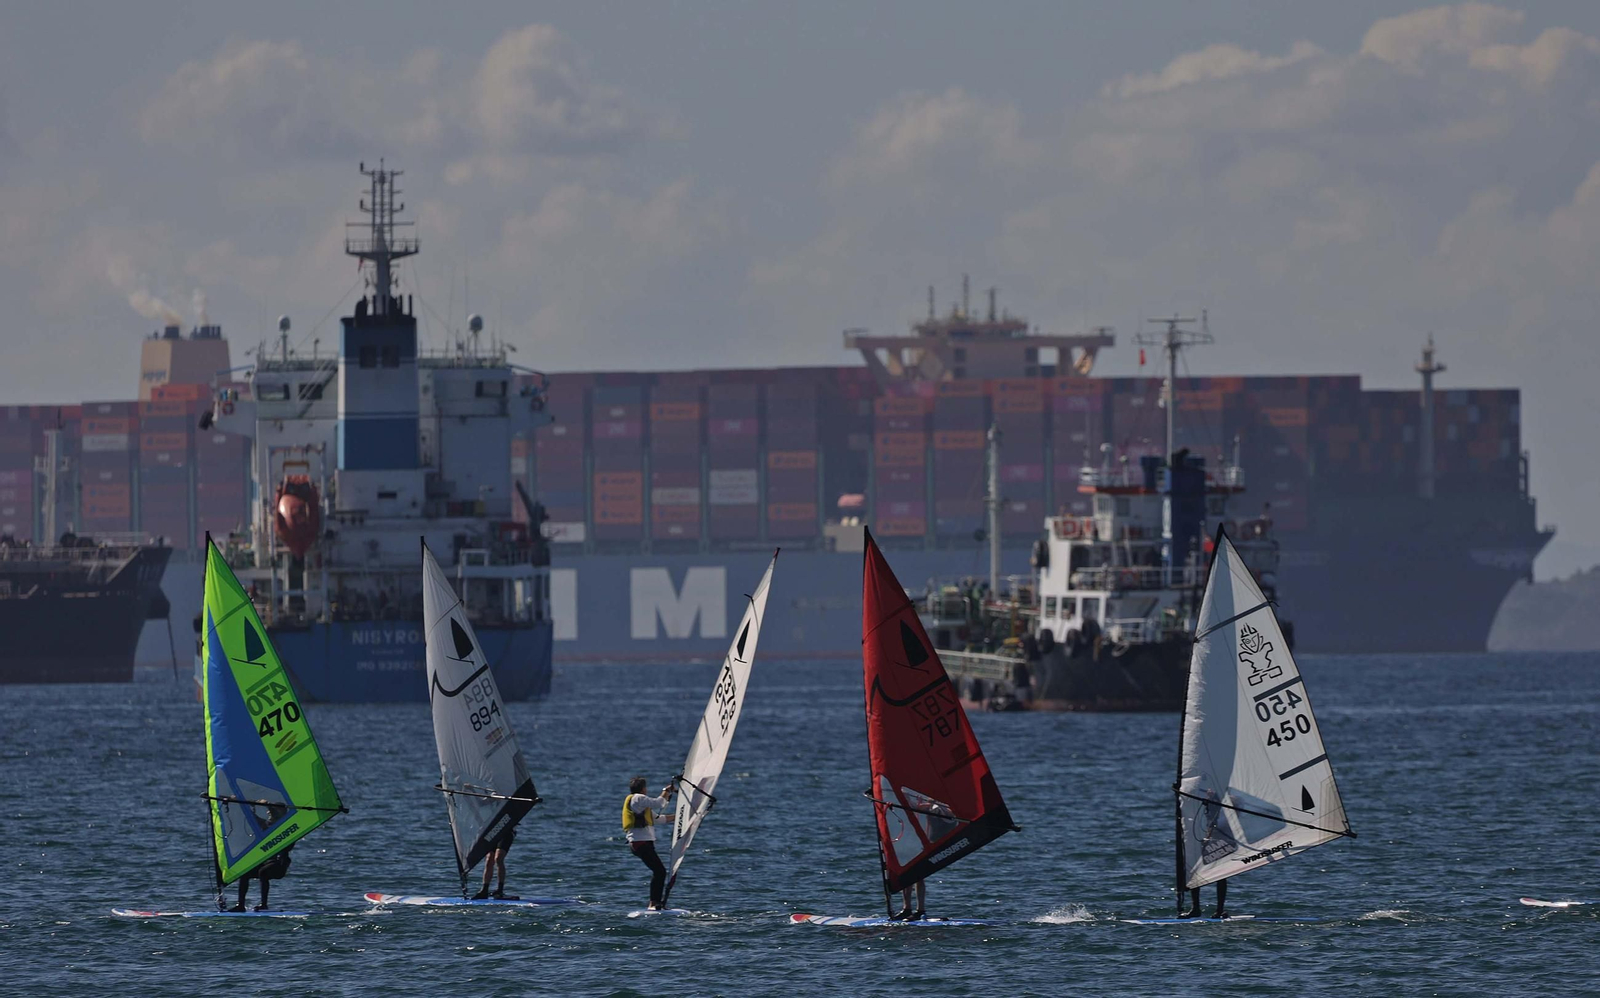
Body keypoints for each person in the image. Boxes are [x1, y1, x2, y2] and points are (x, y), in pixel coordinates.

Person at [622, 776, 676, 910]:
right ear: (643, 788)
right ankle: (653, 903)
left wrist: (681, 816)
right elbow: (660, 803)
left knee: (659, 872)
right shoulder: (638, 798)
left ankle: (655, 903)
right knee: (660, 872)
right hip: (641, 843)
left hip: (641, 843)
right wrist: (666, 790)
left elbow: (659, 819)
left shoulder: (640, 806)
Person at [232, 844, 292, 911]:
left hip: (279, 864)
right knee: (244, 873)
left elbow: (290, 842)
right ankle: (240, 905)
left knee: (263, 872)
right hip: (265, 862)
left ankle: (264, 905)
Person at [472, 825, 517, 900]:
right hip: (493, 831)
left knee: (498, 858)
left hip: (506, 831)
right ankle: (484, 890)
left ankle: (500, 890)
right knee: (489, 859)